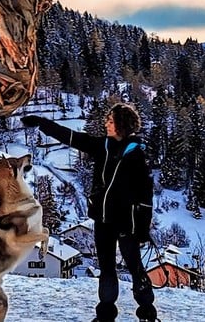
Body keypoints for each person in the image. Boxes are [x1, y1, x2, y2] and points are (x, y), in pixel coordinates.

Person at [22, 103, 158, 322]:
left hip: (127, 223)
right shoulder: (102, 146)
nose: (106, 124)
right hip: (103, 220)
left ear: (122, 125)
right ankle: (105, 314)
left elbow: (146, 196)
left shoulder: (136, 155)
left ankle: (147, 313)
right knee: (106, 268)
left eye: (111, 121)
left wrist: (142, 228)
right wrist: (42, 122)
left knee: (135, 267)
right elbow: (72, 137)